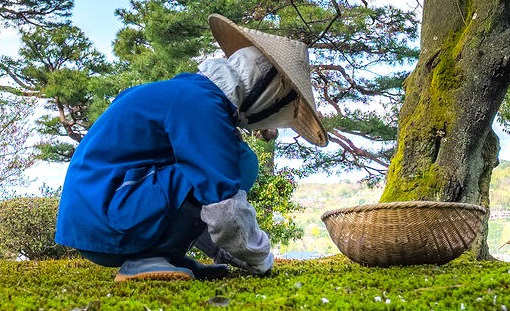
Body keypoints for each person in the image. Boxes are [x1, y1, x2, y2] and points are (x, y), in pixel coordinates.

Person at [54, 14, 329, 282]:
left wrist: (223, 252)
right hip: (106, 221)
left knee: (222, 162)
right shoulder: (200, 105)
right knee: (238, 160)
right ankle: (147, 257)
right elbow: (220, 200)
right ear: (269, 92)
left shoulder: (184, 93)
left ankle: (166, 255)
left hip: (98, 215)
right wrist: (260, 260)